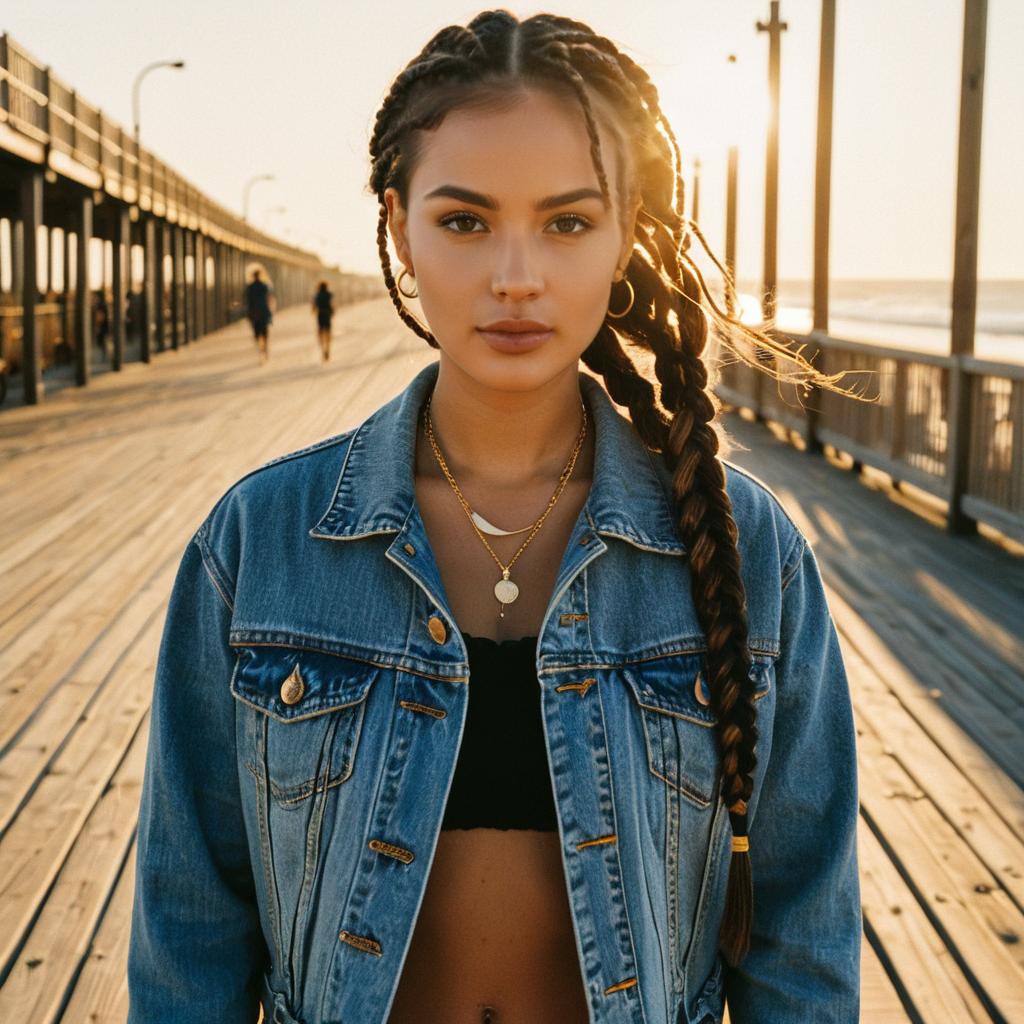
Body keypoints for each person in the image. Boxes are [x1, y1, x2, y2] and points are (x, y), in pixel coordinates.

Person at [127, 11, 867, 1024]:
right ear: (398, 224)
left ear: (625, 233)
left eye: (567, 221)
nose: (515, 276)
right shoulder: (258, 544)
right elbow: (189, 938)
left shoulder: (750, 553)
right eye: (464, 221)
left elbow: (799, 942)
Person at [244, 267, 274, 364]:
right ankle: (264, 350)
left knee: (257, 334)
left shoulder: (250, 287)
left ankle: (261, 351)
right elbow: (269, 299)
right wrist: (270, 311)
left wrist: (248, 314)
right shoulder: (265, 286)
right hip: (264, 313)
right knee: (265, 333)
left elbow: (248, 302)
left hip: (254, 314)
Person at [312, 280, 335, 361]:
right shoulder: (329, 294)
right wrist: (332, 311)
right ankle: (328, 349)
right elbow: (332, 304)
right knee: (328, 333)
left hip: (320, 315)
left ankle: (323, 350)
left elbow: (314, 307)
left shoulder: (317, 295)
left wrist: (313, 311)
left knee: (321, 333)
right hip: (327, 315)